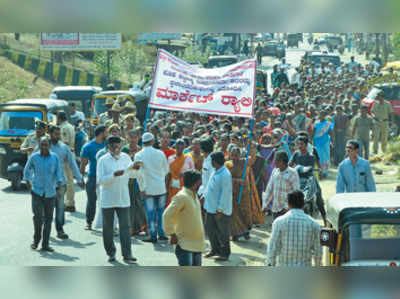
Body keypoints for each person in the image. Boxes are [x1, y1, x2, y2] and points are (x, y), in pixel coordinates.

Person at [97, 136, 141, 264]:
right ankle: (111, 253)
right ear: (108, 147)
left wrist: (136, 170)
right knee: (108, 228)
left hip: (123, 198)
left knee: (125, 227)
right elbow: (100, 181)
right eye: (114, 147)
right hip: (108, 198)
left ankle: (127, 254)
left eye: (118, 147)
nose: (116, 149)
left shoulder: (126, 158)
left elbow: (132, 175)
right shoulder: (103, 160)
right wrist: (113, 175)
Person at [37, 125, 84, 239]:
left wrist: (79, 178)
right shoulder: (42, 145)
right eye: (56, 134)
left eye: (60, 134)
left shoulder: (64, 148)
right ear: (50, 133)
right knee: (44, 208)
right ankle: (43, 230)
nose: (58, 136)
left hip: (60, 183)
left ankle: (60, 230)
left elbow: (72, 163)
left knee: (60, 207)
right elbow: (34, 160)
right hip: (44, 184)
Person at [24, 137, 63, 252]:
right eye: (42, 145)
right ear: (39, 145)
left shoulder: (54, 158)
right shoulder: (34, 157)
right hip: (37, 192)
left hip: (50, 193)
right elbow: (26, 171)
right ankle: (36, 241)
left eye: (46, 145)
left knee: (48, 219)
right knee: (37, 218)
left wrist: (59, 189)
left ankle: (45, 244)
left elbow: (58, 174)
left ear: (49, 146)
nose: (44, 147)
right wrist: (28, 184)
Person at [266, 190, 322, 266]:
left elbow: (272, 248)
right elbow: (318, 253)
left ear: (288, 204)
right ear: (303, 204)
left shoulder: (279, 222)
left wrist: (270, 264)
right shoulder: (314, 224)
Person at [163, 170, 206, 266]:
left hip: (197, 244)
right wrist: (172, 234)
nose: (201, 184)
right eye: (200, 182)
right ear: (196, 183)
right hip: (184, 245)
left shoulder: (194, 196)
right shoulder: (182, 197)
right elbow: (167, 215)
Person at [134, 132, 170, 243]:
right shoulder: (160, 153)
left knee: (150, 213)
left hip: (148, 188)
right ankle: (162, 233)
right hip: (160, 187)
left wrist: (142, 189)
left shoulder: (138, 155)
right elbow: (166, 171)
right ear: (153, 141)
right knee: (160, 212)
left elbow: (138, 174)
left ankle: (153, 235)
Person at [289, 136, 327, 226]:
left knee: (318, 195)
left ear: (306, 145)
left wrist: (298, 168)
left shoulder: (311, 156)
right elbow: (290, 164)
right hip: (297, 179)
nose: (299, 146)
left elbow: (310, 168)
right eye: (298, 144)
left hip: (309, 178)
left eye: (301, 144)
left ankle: (324, 218)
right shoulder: (296, 154)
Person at [203, 152, 233, 262]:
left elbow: (225, 194)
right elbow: (209, 186)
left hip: (220, 210)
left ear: (215, 162)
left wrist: (220, 210)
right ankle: (215, 250)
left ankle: (225, 253)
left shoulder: (225, 174)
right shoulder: (215, 171)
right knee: (209, 228)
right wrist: (204, 196)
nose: (210, 163)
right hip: (210, 207)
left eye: (212, 161)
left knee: (223, 232)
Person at [80, 125, 106, 230]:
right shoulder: (88, 147)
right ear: (101, 133)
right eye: (106, 132)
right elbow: (83, 164)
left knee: (106, 201)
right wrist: (80, 178)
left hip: (105, 177)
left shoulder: (108, 145)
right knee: (91, 200)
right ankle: (89, 222)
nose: (107, 134)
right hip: (93, 177)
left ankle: (107, 224)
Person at [122, 129, 147, 236]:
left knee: (139, 204)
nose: (132, 140)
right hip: (127, 180)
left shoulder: (141, 151)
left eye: (135, 137)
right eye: (130, 137)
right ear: (127, 138)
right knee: (129, 204)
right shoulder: (124, 150)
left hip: (138, 180)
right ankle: (130, 227)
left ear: (138, 138)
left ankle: (141, 226)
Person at [262, 151, 300, 220]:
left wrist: (287, 207)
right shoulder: (275, 171)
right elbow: (269, 189)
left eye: (276, 160)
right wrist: (265, 205)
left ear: (282, 161)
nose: (274, 162)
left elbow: (296, 192)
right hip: (276, 209)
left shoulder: (293, 173)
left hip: (287, 210)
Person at [57, 111, 76, 214]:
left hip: (65, 154)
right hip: (70, 153)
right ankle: (70, 202)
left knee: (67, 180)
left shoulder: (63, 128)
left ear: (59, 118)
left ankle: (69, 203)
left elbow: (65, 142)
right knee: (69, 180)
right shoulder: (71, 126)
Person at [167, 139, 195, 207]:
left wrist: (185, 174)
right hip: (173, 185)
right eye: (178, 147)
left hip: (184, 185)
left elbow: (193, 171)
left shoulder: (188, 157)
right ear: (175, 147)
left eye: (181, 147)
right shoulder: (170, 158)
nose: (179, 149)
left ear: (184, 148)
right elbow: (168, 173)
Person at [371, 90, 393, 155]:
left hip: (385, 122)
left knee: (384, 137)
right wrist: (373, 116)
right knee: (376, 137)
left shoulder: (387, 104)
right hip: (377, 122)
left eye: (379, 96)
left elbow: (391, 113)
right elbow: (372, 111)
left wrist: (392, 122)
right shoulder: (375, 103)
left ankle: (384, 150)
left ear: (382, 96)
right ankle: (375, 150)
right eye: (377, 96)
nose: (378, 97)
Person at [312, 110, 332, 178]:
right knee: (319, 157)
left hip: (325, 142)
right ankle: (320, 171)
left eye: (323, 114)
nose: (321, 116)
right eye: (320, 114)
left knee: (326, 157)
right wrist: (312, 141)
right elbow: (313, 132)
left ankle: (325, 172)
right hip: (317, 142)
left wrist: (332, 142)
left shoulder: (328, 123)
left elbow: (331, 133)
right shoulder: (316, 123)